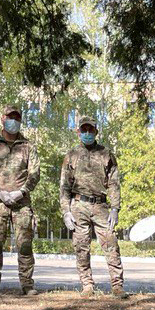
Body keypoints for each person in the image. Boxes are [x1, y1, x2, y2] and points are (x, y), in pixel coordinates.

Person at [60, 116, 125, 298]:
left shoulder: (106, 153)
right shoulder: (71, 155)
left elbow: (113, 183)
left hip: (101, 206)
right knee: (81, 247)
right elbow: (64, 185)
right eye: (84, 129)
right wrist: (66, 211)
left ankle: (117, 285)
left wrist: (115, 208)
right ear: (78, 132)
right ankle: (87, 285)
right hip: (79, 205)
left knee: (111, 244)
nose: (87, 133)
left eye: (91, 129)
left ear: (96, 131)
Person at [0, 104, 40, 295]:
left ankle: (27, 284)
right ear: (2, 119)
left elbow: (35, 173)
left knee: (24, 245)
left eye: (16, 117)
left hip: (21, 203)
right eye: (9, 117)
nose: (13, 121)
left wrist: (21, 192)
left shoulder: (28, 146)